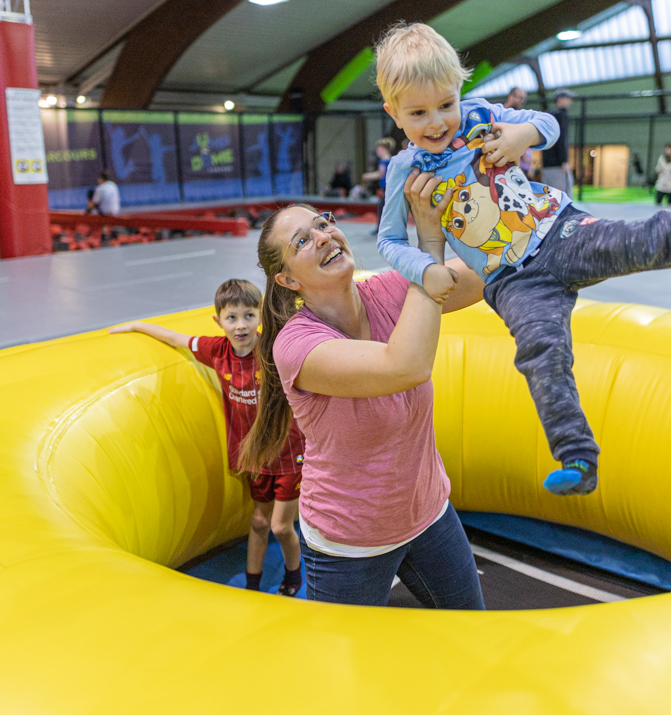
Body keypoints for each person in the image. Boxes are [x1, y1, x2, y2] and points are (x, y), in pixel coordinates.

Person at [374, 22, 671, 497]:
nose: (437, 122)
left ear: (460, 91)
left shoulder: (481, 115)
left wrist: (524, 136)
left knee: (661, 237)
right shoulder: (404, 170)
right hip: (511, 281)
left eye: (446, 104)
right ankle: (576, 456)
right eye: (418, 113)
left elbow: (548, 125)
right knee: (541, 352)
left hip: (562, 232)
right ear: (393, 113)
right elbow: (389, 239)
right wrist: (426, 267)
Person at [238, 175, 487, 608]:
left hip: (428, 514)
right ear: (288, 281)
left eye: (323, 223)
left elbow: (486, 276)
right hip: (348, 542)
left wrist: (496, 202)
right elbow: (406, 366)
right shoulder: (296, 345)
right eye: (302, 241)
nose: (323, 236)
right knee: (349, 654)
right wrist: (428, 242)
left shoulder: (389, 291)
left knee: (473, 632)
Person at [110, 280, 306, 597]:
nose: (241, 326)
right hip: (255, 455)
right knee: (259, 522)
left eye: (249, 316)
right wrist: (136, 325)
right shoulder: (218, 351)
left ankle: (293, 575)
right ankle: (252, 583)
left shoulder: (270, 350)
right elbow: (176, 338)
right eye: (232, 318)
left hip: (288, 451)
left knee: (281, 526)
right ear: (219, 321)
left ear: (260, 317)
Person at [541, 88, 575, 195]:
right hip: (557, 166)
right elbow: (561, 139)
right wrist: (563, 161)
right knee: (562, 196)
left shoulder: (548, 115)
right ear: (560, 99)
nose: (570, 101)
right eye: (568, 98)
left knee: (548, 196)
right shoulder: (561, 115)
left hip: (546, 164)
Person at [363, 137, 396, 233]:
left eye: (379, 149)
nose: (377, 151)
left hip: (389, 188)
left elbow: (380, 174)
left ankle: (381, 229)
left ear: (385, 149)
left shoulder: (386, 161)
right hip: (386, 188)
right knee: (383, 208)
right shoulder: (385, 160)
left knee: (382, 208)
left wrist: (368, 176)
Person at [504, 87, 533, 175]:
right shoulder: (501, 115)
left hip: (522, 167)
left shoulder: (520, 116)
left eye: (524, 99)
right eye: (520, 98)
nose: (522, 101)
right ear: (511, 96)